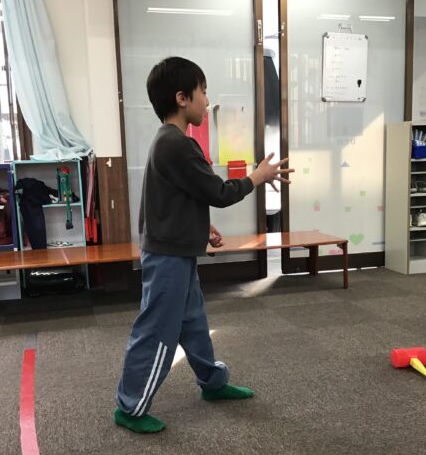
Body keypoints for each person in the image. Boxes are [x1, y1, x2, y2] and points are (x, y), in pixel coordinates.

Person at [114, 56, 293, 433]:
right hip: (167, 257)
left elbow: (174, 197)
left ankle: (212, 382)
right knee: (156, 331)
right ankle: (130, 407)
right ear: (182, 98)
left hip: (175, 250)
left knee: (194, 323)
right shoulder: (176, 144)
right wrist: (257, 176)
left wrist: (201, 224)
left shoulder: (170, 141)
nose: (207, 101)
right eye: (203, 92)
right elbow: (218, 192)